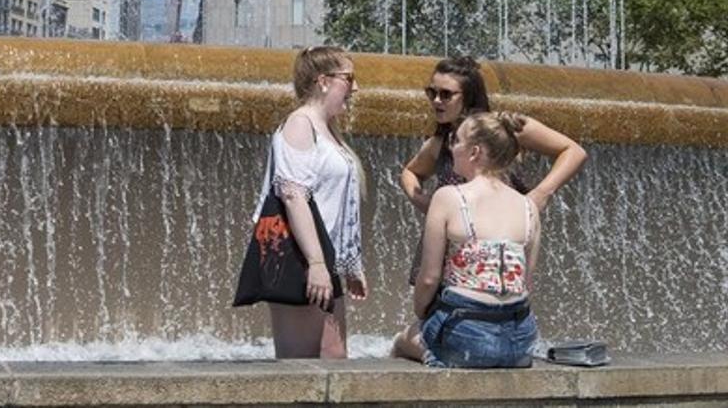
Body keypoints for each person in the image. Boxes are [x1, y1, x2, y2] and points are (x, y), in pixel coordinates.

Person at [400, 56, 586, 282]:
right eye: (432, 92)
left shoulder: (504, 129)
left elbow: (573, 151)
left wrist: (540, 194)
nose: (436, 100)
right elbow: (410, 173)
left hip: (496, 255)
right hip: (447, 257)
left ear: (468, 96)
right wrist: (425, 202)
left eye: (446, 94)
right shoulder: (441, 142)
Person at [393, 112, 541, 368]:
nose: (451, 148)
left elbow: (428, 279)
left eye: (456, 141)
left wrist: (421, 315)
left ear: (474, 152)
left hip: (466, 337)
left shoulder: (449, 197)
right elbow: (526, 285)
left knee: (401, 341)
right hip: (520, 341)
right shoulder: (528, 207)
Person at [251, 45, 367, 359]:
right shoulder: (299, 124)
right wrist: (315, 265)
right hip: (299, 261)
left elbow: (335, 204)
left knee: (333, 358)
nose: (355, 87)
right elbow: (292, 195)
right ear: (323, 81)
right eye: (349, 78)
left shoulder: (327, 130)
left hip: (323, 263)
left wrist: (348, 264)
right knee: (299, 370)